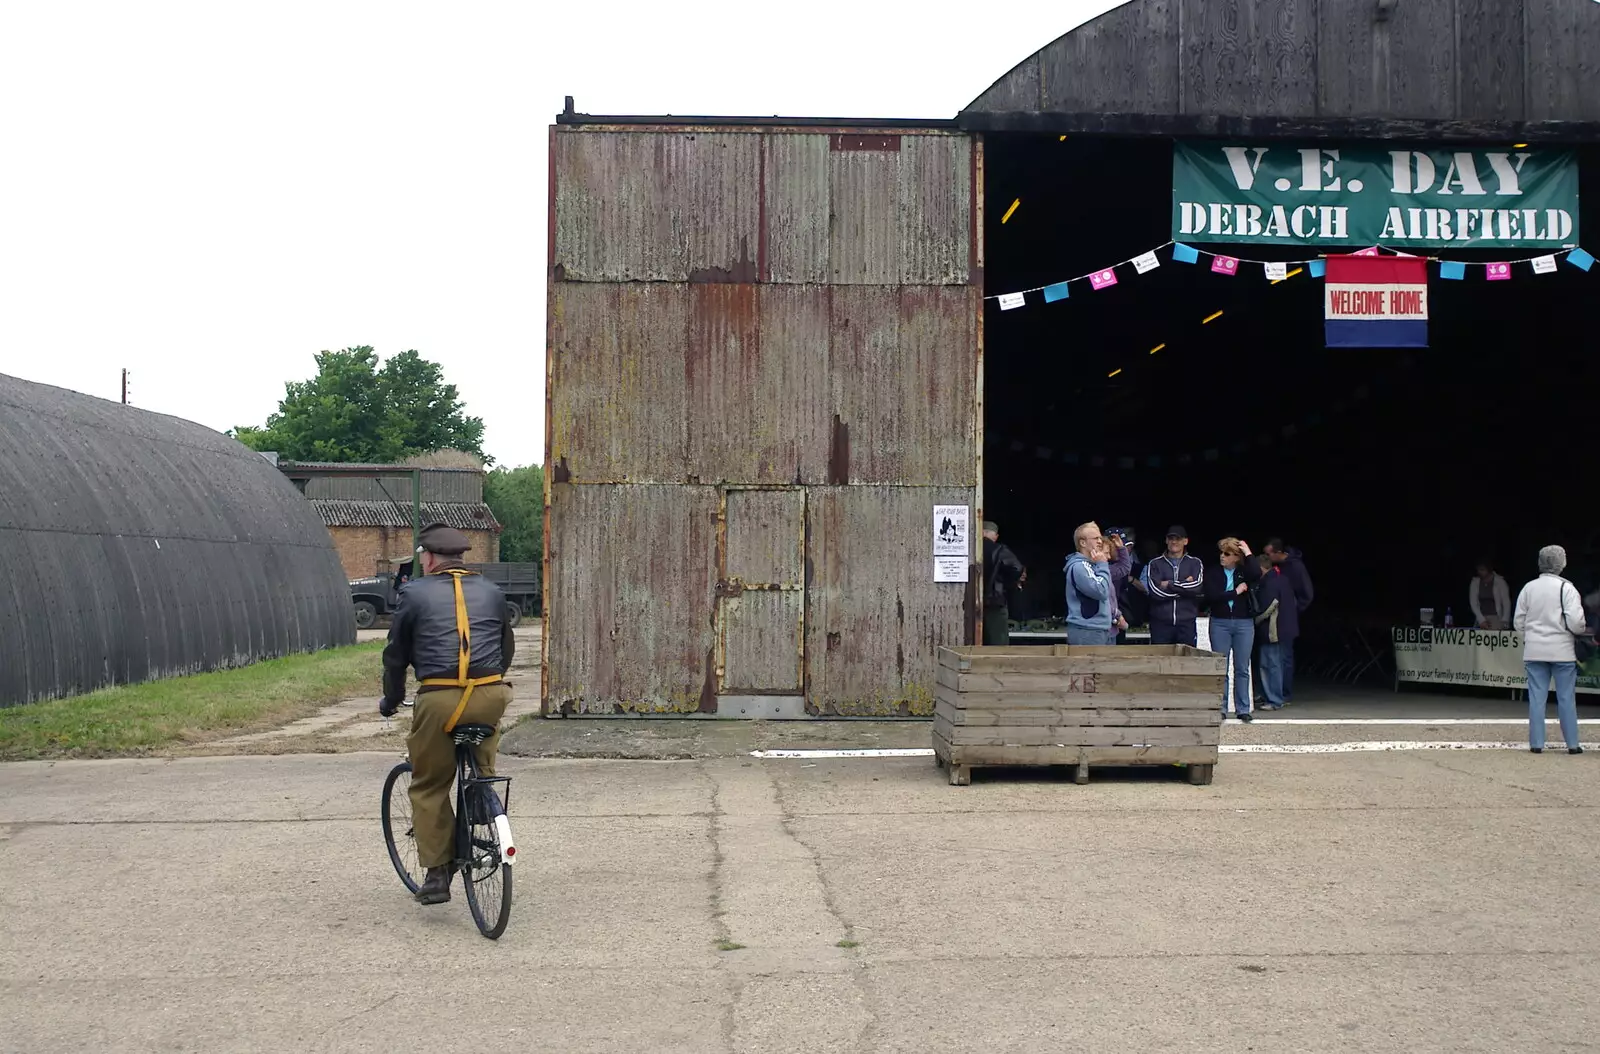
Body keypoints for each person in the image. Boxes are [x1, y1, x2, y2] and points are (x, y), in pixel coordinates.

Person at [380, 523, 516, 904]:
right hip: (490, 693)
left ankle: (438, 875)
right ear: (461, 556)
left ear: (429, 557)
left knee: (429, 783)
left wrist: (391, 699)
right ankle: (482, 798)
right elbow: (505, 649)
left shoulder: (414, 592)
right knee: (482, 751)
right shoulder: (492, 591)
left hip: (440, 698)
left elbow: (395, 657)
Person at [1512, 545, 1588, 754]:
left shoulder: (1529, 588)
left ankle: (1537, 743)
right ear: (1561, 564)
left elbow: (1519, 622)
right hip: (1562, 651)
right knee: (1566, 697)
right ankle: (1572, 744)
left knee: (1537, 698)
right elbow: (1576, 622)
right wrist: (1578, 630)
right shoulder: (1567, 588)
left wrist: (1531, 636)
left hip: (1535, 650)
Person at [1203, 538, 1263, 721]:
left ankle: (1243, 708)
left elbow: (1256, 573)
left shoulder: (1243, 572)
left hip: (1244, 622)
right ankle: (1220, 707)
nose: (1222, 557)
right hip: (1220, 622)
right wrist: (1234, 592)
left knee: (1242, 667)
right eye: (1221, 553)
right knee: (1221, 667)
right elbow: (1211, 596)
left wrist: (1248, 551)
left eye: (1227, 554)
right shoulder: (1213, 572)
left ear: (1236, 557)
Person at [1263, 539, 1313, 701]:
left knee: (1284, 657)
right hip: (1271, 620)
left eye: (1268, 554)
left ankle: (1285, 693)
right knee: (1270, 658)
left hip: (1286, 620)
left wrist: (1292, 610)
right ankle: (1270, 692)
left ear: (1278, 553)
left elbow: (1307, 594)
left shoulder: (1296, 567)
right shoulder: (1274, 568)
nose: (1266, 557)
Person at [1141, 525, 1205, 646]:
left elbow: (1196, 587)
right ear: (1166, 540)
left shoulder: (1195, 563)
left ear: (1185, 541)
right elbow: (1155, 592)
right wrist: (1184, 585)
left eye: (1178, 539)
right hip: (1160, 623)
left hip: (1186, 622)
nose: (1174, 542)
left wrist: (1169, 584)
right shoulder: (1155, 563)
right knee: (1160, 661)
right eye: (1171, 538)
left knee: (1187, 662)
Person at [1251, 553, 1296, 710]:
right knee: (1275, 664)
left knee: (1270, 665)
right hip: (1284, 628)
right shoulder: (1282, 579)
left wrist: (1254, 620)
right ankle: (1272, 696)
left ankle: (1274, 700)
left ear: (1260, 568)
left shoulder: (1269, 583)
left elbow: (1268, 607)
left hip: (1272, 630)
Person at [1064, 522, 1115, 645]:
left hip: (1098, 628)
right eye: (1095, 538)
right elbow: (1101, 592)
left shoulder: (1093, 565)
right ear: (1082, 543)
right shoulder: (1079, 567)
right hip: (1087, 630)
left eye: (1100, 538)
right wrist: (1103, 564)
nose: (1100, 541)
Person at [982, 521, 1025, 646]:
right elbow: (1017, 568)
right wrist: (1005, 584)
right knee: (998, 641)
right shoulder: (999, 549)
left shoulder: (968, 547)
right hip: (994, 601)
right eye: (996, 535)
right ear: (991, 534)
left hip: (970, 604)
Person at [1469, 561, 1512, 631]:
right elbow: (1473, 603)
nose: (1480, 572)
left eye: (1482, 570)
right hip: (1482, 618)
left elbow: (1506, 602)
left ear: (1489, 569)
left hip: (1496, 618)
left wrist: (1505, 620)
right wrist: (1481, 620)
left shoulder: (1500, 582)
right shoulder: (1475, 582)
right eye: (1478, 570)